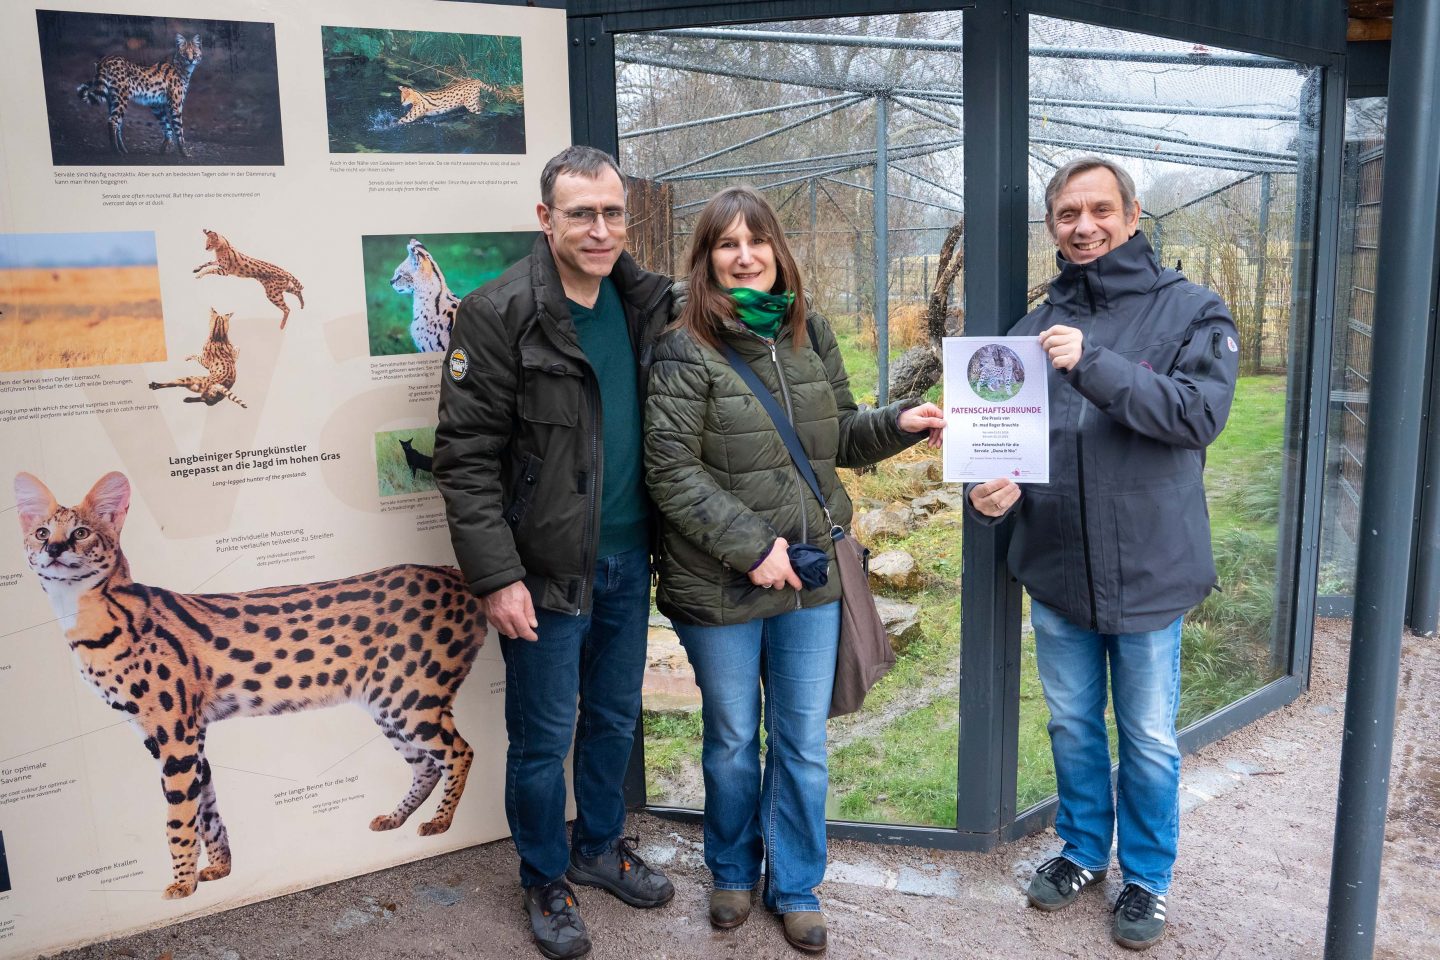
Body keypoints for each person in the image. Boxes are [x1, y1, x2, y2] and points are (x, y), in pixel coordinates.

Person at [644, 186, 946, 954]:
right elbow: (670, 468)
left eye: (757, 241)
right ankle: (732, 874)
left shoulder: (811, 335)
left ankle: (797, 884)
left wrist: (899, 425)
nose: (745, 255)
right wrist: (752, 546)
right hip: (722, 581)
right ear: (707, 259)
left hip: (810, 577)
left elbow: (838, 437)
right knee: (734, 736)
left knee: (802, 739)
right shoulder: (686, 345)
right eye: (726, 244)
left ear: (778, 251)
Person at [967, 157, 1238, 951]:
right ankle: (1085, 851)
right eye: (1067, 215)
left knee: (1148, 737)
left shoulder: (1192, 309)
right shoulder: (1026, 330)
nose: (1084, 226)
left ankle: (1147, 877)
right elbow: (999, 444)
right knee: (1075, 725)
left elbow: (1196, 416)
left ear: (1132, 214)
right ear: (1051, 226)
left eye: (1099, 211)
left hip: (1150, 571)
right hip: (1055, 566)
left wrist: (1091, 360)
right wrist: (984, 497)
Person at [433, 145, 675, 960]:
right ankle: (544, 877)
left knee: (611, 718)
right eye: (582, 214)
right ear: (546, 218)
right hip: (541, 573)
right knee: (542, 739)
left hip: (628, 559)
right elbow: (465, 460)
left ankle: (599, 848)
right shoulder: (498, 313)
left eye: (612, 212)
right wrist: (497, 577)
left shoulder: (643, 302)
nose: (600, 229)